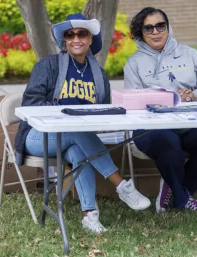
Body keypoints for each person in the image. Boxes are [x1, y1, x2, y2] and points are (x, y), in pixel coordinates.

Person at [15, 13, 151, 233]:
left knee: (80, 150)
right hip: (39, 136)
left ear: (90, 39)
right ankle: (122, 185)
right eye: (70, 34)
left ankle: (90, 215)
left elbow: (102, 110)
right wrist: (68, 113)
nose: (75, 38)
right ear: (64, 40)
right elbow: (31, 103)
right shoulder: (48, 66)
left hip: (74, 139)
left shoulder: (98, 74)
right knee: (75, 128)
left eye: (81, 33)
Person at [124, 7, 197, 215]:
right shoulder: (133, 63)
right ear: (141, 32)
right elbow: (133, 102)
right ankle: (181, 200)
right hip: (150, 128)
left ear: (168, 27)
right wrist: (166, 98)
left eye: (160, 25)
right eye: (149, 28)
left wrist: (193, 94)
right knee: (169, 142)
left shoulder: (189, 54)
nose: (156, 32)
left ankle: (173, 189)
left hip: (187, 124)